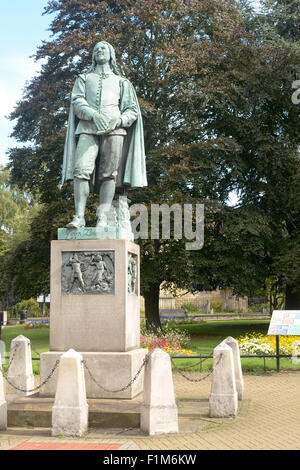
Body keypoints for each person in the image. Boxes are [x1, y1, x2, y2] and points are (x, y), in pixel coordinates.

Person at [61, 41, 147, 229]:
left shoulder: (122, 82)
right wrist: (93, 114)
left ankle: (102, 217)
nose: (100, 51)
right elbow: (77, 101)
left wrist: (119, 120)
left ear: (111, 54)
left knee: (109, 175)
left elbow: (132, 110)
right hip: (87, 128)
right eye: (96, 49)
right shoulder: (83, 78)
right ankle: (79, 216)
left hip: (115, 129)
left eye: (104, 48)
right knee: (80, 170)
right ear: (93, 55)